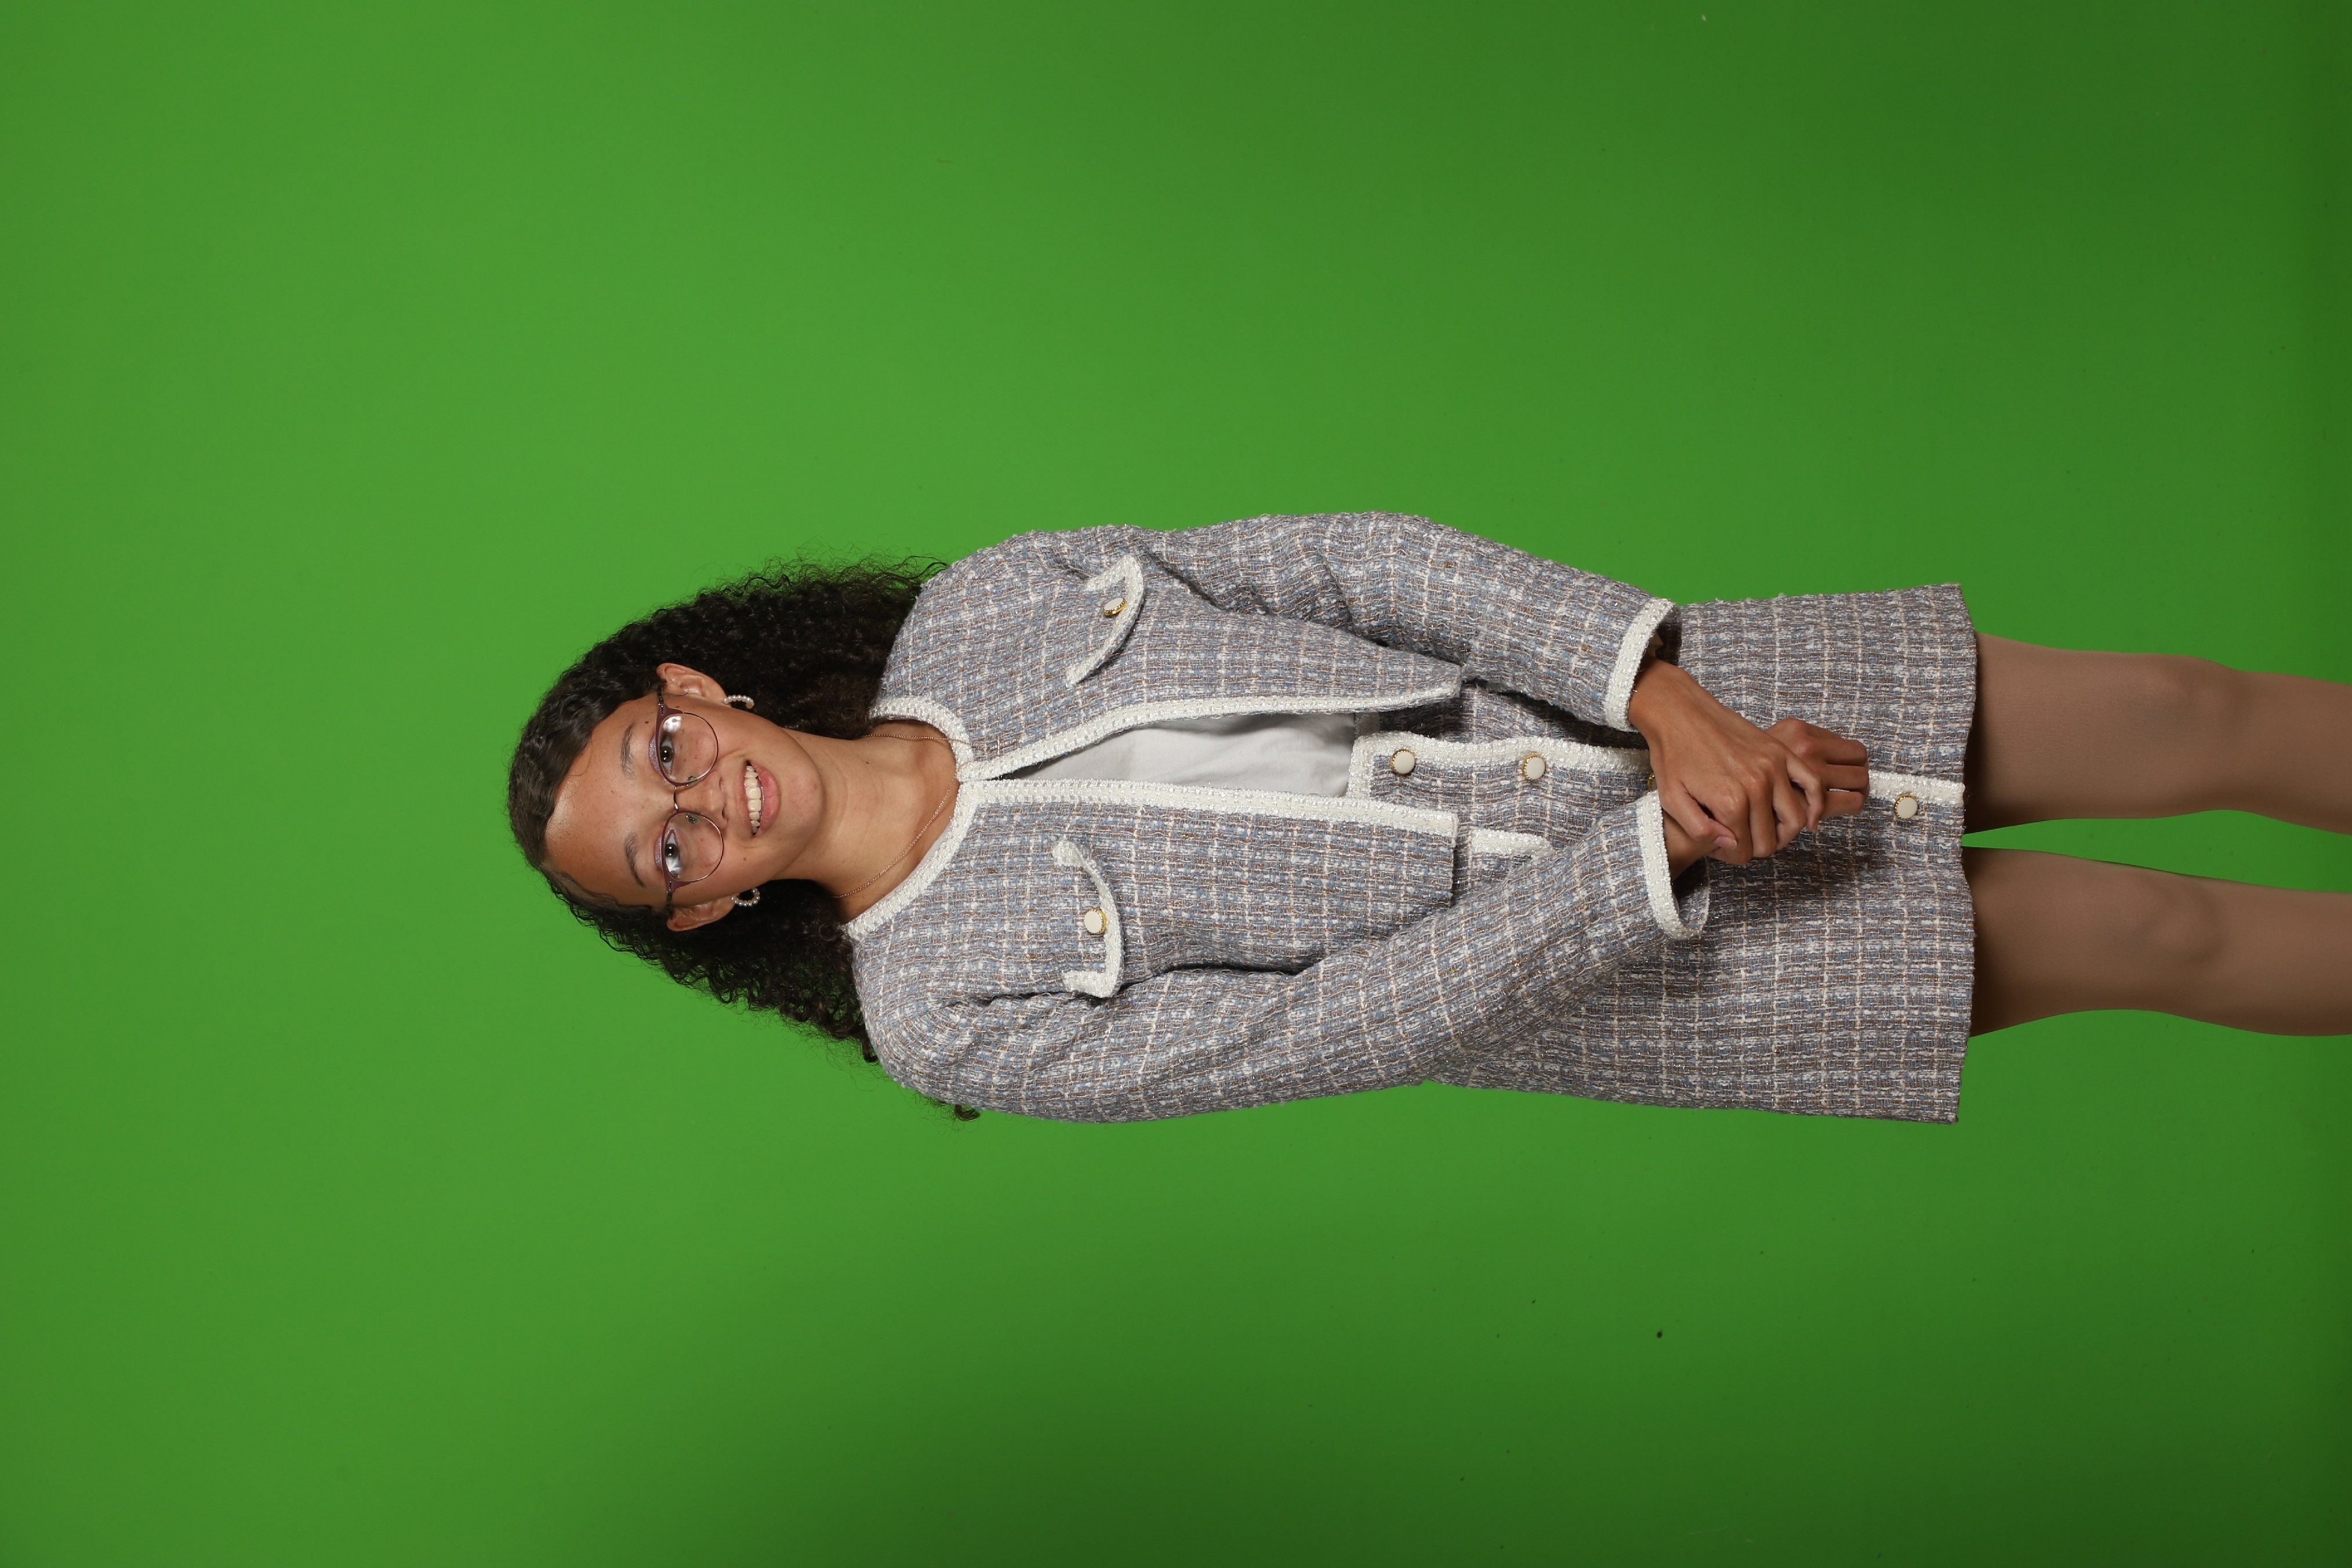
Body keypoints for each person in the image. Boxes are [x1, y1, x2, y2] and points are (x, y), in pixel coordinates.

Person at [507, 512, 2352, 1123]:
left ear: (697, 691)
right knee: (2149, 930)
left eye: (664, 756)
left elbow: (1350, 564)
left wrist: (1662, 699)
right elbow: (1331, 1033)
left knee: (2175, 709)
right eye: (667, 855)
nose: (702, 807)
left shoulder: (985, 604)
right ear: (701, 910)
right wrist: (1655, 852)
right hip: (1641, 956)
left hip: (1626, 692)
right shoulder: (938, 1017)